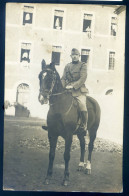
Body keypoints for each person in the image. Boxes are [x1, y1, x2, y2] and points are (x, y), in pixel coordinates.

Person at [61, 48, 88, 133]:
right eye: (73, 55)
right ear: (71, 56)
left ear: (79, 56)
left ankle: (84, 125)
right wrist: (63, 86)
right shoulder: (67, 66)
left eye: (76, 55)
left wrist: (73, 86)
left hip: (79, 90)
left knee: (82, 105)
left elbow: (83, 78)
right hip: (67, 90)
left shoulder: (83, 65)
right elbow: (63, 78)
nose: (75, 56)